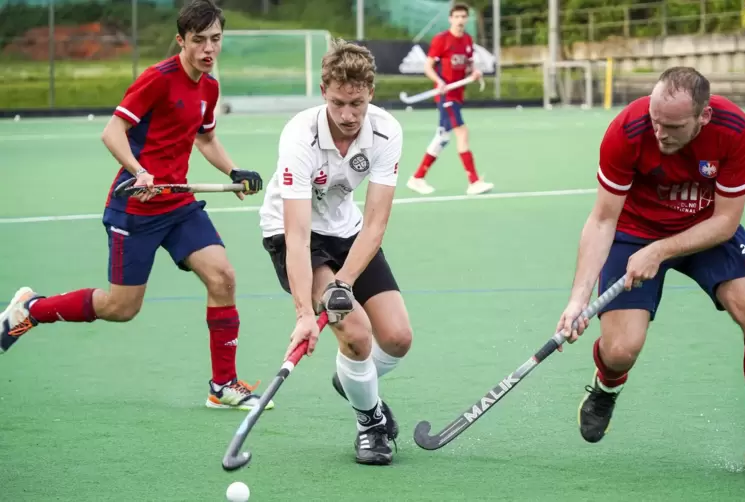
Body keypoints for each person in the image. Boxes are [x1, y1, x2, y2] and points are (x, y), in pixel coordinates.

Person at [0, 0, 272, 412]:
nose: (208, 50)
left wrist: (234, 171)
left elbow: (204, 137)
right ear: (181, 40)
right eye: (198, 41)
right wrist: (138, 171)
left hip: (178, 204)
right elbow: (113, 132)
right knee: (121, 307)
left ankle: (223, 385)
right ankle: (33, 309)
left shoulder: (209, 88)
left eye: (215, 40)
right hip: (135, 209)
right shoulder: (157, 79)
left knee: (223, 277)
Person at [556, 66, 745, 467]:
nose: (660, 133)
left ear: (704, 117)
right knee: (620, 350)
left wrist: (661, 250)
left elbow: (726, 221)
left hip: (707, 229)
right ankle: (607, 386)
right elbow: (602, 220)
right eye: (655, 121)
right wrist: (578, 299)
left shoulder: (737, 130)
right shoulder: (627, 130)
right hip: (633, 230)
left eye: (674, 126)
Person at [258, 38, 413, 466]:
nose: (348, 116)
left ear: (370, 96)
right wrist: (305, 315)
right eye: (340, 103)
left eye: (357, 105)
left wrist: (343, 282)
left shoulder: (386, 131)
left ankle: (353, 377)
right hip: (292, 233)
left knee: (397, 338)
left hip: (349, 231)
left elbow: (377, 221)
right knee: (357, 333)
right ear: (324, 91)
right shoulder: (299, 137)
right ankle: (371, 423)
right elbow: (297, 231)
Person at [406, 2, 493, 197]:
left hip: (458, 95)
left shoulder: (468, 40)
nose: (460, 20)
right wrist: (439, 81)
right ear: (450, 19)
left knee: (443, 137)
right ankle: (473, 181)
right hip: (446, 96)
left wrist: (475, 72)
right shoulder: (441, 40)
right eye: (457, 17)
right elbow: (428, 67)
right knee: (462, 132)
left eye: (464, 17)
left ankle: (417, 178)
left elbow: (469, 66)